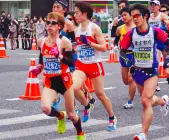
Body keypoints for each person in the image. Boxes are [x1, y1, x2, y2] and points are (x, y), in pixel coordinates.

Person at [30, 12, 85, 140]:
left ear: (59, 26)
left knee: (72, 114)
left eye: (53, 23)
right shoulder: (41, 41)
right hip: (50, 81)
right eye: (47, 22)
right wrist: (39, 68)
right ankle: (60, 116)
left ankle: (80, 133)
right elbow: (42, 58)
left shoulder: (64, 42)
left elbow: (72, 62)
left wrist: (59, 56)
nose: (49, 25)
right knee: (46, 109)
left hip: (64, 81)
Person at [120, 4, 169, 139]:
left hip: (152, 72)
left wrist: (168, 57)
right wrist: (128, 60)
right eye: (133, 16)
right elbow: (122, 51)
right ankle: (163, 102)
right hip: (138, 72)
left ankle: (143, 134)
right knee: (148, 100)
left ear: (145, 16)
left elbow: (168, 44)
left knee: (145, 101)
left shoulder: (155, 31)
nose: (134, 19)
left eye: (137, 16)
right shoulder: (131, 34)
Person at [74, 1, 117, 131]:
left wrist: (90, 43)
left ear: (85, 14)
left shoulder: (94, 28)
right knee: (74, 88)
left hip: (94, 64)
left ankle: (112, 118)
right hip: (81, 64)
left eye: (77, 13)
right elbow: (79, 47)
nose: (75, 15)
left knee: (100, 94)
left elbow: (104, 47)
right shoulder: (77, 30)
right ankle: (87, 105)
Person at [114, 7, 136, 109]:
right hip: (123, 55)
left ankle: (130, 101)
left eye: (125, 15)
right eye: (122, 16)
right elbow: (116, 39)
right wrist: (115, 46)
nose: (123, 17)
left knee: (131, 79)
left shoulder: (137, 27)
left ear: (131, 15)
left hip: (134, 55)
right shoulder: (120, 28)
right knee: (125, 80)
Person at [149, 0, 169, 92]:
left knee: (167, 60)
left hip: (162, 40)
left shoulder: (162, 15)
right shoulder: (149, 17)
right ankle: (155, 84)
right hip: (154, 42)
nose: (153, 7)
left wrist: (162, 28)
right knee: (155, 62)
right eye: (151, 5)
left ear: (159, 6)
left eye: (155, 5)